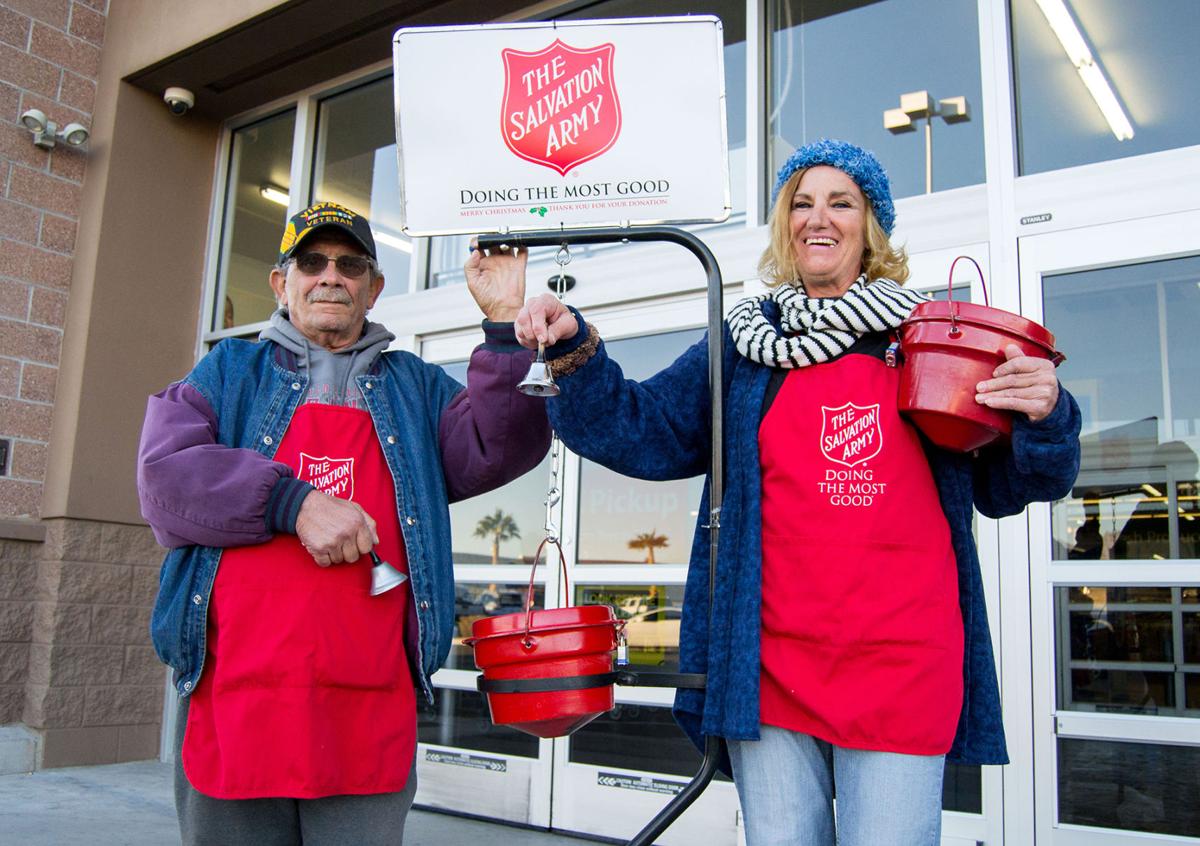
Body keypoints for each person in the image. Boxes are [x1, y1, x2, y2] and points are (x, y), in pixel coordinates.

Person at [510, 140, 1082, 845]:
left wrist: (1046, 414)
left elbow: (1010, 483)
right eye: (801, 203)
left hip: (904, 666)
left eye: (841, 202)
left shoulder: (930, 337)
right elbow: (643, 428)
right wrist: (572, 348)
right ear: (785, 226)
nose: (819, 218)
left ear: (870, 226)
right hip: (771, 670)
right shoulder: (745, 345)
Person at [137, 201, 549, 845]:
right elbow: (164, 478)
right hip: (236, 702)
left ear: (373, 286)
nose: (331, 276)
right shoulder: (226, 374)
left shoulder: (415, 387)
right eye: (312, 261)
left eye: (350, 263)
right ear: (282, 282)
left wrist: (501, 331)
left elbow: (500, 448)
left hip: (367, 706)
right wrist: (292, 503)